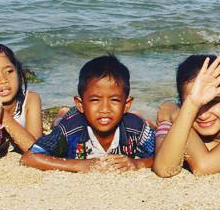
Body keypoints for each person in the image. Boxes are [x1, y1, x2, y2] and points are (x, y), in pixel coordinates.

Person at [22, 55, 155, 172]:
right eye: (95, 100)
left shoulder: (135, 127)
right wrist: (80, 165)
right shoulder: (70, 129)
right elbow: (30, 157)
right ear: (80, 104)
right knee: (59, 123)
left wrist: (137, 163)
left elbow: (164, 154)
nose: (105, 109)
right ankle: (61, 115)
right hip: (73, 118)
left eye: (114, 100)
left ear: (127, 105)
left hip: (99, 116)